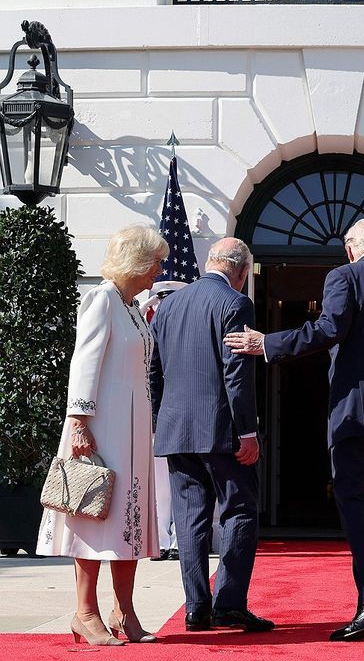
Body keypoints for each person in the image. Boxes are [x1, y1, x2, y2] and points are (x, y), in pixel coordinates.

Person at [225, 220, 364, 642]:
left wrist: (266, 344)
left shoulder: (345, 275)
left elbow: (328, 330)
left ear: (350, 248)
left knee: (359, 505)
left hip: (360, 414)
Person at [36, 224, 170, 646]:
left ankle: (124, 612)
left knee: (128, 523)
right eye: (155, 261)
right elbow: (84, 362)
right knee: (94, 519)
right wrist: (78, 420)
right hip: (99, 428)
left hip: (131, 428)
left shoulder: (131, 305)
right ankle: (85, 612)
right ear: (137, 261)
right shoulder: (102, 299)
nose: (159, 269)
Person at [150, 237, 274, 634]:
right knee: (239, 511)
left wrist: (160, 421)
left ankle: (196, 608)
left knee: (190, 519)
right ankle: (229, 605)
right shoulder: (235, 303)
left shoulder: (168, 305)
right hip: (222, 432)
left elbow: (153, 369)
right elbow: (236, 373)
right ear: (240, 272)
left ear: (209, 262)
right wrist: (248, 432)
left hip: (177, 431)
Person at [139, 280, 185, 562]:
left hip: (184, 417)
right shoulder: (148, 328)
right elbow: (152, 377)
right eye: (159, 302)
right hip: (159, 417)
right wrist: (153, 417)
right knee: (159, 485)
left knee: (184, 482)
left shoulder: (190, 328)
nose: (162, 307)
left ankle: (180, 540)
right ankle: (161, 541)